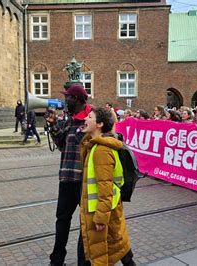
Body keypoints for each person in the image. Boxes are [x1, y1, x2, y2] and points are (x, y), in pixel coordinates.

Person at [78, 107, 135, 266]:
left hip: (100, 212)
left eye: (89, 117)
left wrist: (101, 217)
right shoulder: (94, 145)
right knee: (118, 248)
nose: (85, 119)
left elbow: (105, 187)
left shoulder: (101, 150)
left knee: (105, 254)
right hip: (105, 210)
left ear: (100, 124)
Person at [45, 84, 91, 266]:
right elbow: (62, 144)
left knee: (85, 224)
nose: (65, 101)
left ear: (77, 99)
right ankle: (57, 260)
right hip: (66, 178)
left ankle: (83, 261)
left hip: (84, 181)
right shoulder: (70, 119)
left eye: (68, 97)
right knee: (62, 220)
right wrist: (54, 125)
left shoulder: (90, 119)